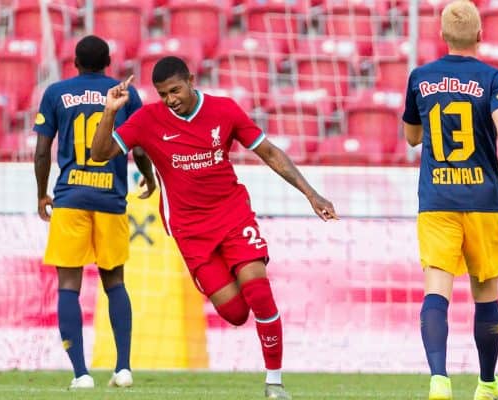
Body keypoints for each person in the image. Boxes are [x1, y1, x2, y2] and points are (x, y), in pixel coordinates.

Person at [90, 56, 338, 399]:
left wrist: (312, 194)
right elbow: (99, 154)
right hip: (190, 231)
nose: (170, 99)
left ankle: (275, 383)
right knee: (236, 313)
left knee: (259, 293)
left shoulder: (224, 110)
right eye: (163, 94)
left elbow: (268, 152)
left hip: (233, 216)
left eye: (175, 90)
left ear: (191, 80)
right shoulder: (147, 119)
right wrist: (110, 110)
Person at [402, 1, 498, 399]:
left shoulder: (420, 77)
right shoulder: (493, 78)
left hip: (437, 199)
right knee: (485, 292)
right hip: (483, 199)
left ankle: (439, 378)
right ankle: (487, 384)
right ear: (479, 34)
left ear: (441, 35)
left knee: (436, 289)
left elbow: (412, 137)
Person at [33, 35, 155, 389]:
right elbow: (141, 146)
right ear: (108, 62)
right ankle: (123, 368)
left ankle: (81, 374)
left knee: (68, 286)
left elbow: (43, 152)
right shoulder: (125, 93)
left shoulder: (56, 93)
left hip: (70, 198)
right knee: (114, 282)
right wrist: (148, 178)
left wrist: (42, 194)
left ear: (75, 62)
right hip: (110, 198)